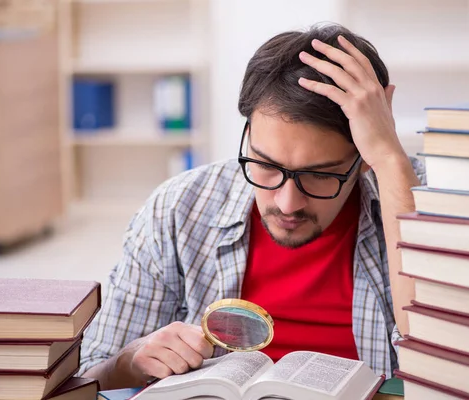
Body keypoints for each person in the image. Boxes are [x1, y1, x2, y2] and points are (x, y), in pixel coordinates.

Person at [79, 23, 425, 390]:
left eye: (320, 176)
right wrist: (132, 360)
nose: (287, 203)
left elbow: (447, 359)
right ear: (247, 135)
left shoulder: (425, 194)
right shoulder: (178, 208)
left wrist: (390, 159)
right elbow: (89, 375)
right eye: (265, 165)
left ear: (364, 157)